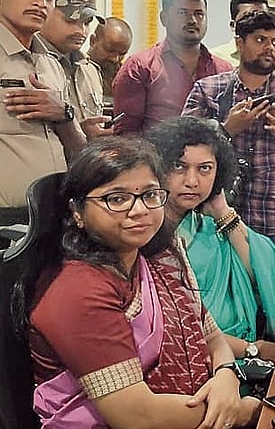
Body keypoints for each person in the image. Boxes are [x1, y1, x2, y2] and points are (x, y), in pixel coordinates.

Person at [27, 136, 261, 428]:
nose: (139, 210)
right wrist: (241, 413)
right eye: (117, 198)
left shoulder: (163, 256)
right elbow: (137, 417)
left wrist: (227, 375)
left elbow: (211, 337)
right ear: (78, 212)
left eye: (150, 194)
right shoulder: (77, 290)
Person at [183, 9, 275, 293]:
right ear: (239, 43)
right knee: (222, 302)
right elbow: (180, 149)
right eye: (260, 39)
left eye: (274, 41)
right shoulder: (208, 90)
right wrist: (226, 129)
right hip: (216, 221)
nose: (269, 48)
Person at [146, 117, 275, 364]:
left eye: (205, 169)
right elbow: (167, 322)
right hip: (184, 359)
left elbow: (264, 275)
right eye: (179, 167)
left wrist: (221, 208)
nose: (192, 181)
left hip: (241, 352)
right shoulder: (143, 230)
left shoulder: (209, 227)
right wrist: (250, 348)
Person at [0, 0, 84, 229]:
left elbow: (79, 151)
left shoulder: (51, 64)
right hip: (6, 222)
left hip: (54, 217)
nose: (40, 2)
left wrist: (63, 113)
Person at [113, 0, 231, 136]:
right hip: (155, 157)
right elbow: (126, 133)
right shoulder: (139, 67)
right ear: (164, 18)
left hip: (211, 158)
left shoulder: (224, 70)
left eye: (199, 14)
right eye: (183, 13)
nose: (193, 20)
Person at [37, 0, 112, 139]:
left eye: (86, 22)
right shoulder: (30, 61)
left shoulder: (91, 70)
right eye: (70, 20)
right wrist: (75, 132)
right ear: (46, 11)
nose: (81, 30)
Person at [210, 0, 275, 78]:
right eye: (248, 17)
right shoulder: (214, 59)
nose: (258, 22)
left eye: (263, 17)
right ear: (233, 25)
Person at [87, 16, 132, 102]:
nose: (115, 59)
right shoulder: (74, 70)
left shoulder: (127, 76)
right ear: (93, 41)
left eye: (122, 54)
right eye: (110, 50)